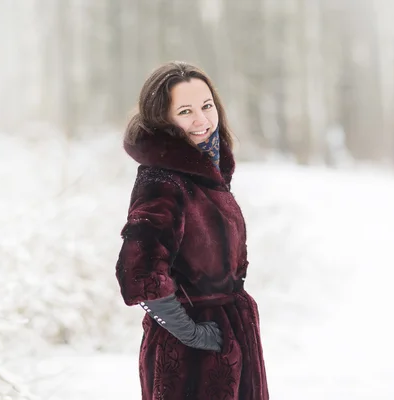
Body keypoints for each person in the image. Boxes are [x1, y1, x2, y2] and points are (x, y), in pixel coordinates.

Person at [115, 61, 270, 400]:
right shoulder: (161, 181)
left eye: (207, 105)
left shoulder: (206, 171)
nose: (202, 120)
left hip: (228, 339)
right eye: (185, 111)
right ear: (164, 120)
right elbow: (138, 269)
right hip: (190, 359)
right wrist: (192, 333)